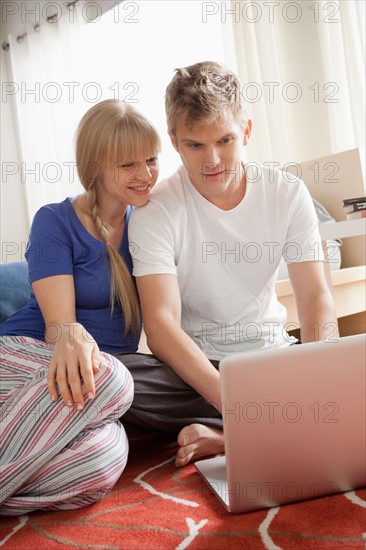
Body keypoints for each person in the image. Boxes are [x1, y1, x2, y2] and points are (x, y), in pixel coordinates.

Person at [119, 61, 339, 467]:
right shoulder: (155, 210)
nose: (212, 160)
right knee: (116, 379)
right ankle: (266, 424)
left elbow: (314, 297)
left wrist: (321, 373)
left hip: (272, 355)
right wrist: (232, 401)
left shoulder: (288, 193)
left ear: (247, 131)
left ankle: (225, 437)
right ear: (174, 141)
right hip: (196, 371)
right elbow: (162, 326)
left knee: (342, 372)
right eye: (194, 145)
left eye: (225, 140)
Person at [0, 99, 161, 515]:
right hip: (21, 359)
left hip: (74, 395)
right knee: (115, 378)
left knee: (104, 456)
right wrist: (76, 340)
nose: (145, 175)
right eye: (128, 165)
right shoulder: (55, 220)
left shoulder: (152, 225)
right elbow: (61, 331)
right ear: (95, 167)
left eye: (151, 160)